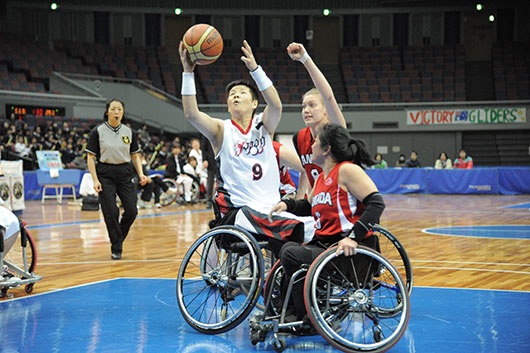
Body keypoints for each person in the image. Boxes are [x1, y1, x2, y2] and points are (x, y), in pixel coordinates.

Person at [179, 39, 313, 253]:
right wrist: (188, 72)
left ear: (254, 104)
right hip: (237, 213)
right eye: (232, 94)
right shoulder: (221, 131)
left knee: (318, 223)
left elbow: (276, 105)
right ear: (228, 105)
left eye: (241, 93)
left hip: (271, 209)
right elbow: (191, 114)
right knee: (290, 225)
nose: (235, 95)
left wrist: (255, 69)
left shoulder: (264, 127)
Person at [268, 124, 383, 325]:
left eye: (316, 142)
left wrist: (353, 238)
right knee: (285, 247)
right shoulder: (321, 177)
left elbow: (376, 203)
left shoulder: (346, 171)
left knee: (291, 254)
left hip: (348, 252)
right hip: (326, 247)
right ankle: (288, 314)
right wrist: (286, 204)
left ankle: (309, 318)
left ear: (326, 149)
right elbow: (307, 206)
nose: (311, 146)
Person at [86, 99, 148, 260]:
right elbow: (90, 157)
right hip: (105, 173)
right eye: (113, 109)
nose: (116, 112)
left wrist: (140, 173)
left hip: (125, 172)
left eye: (119, 109)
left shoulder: (129, 132)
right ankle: (116, 247)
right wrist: (95, 180)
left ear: (122, 112)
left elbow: (135, 155)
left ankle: (117, 237)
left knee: (132, 211)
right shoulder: (97, 131)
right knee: (111, 211)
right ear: (107, 111)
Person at [288, 42, 347, 191]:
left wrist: (305, 59)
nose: (306, 110)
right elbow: (306, 175)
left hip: (339, 201)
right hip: (317, 202)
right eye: (303, 106)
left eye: (312, 105)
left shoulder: (335, 131)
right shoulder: (299, 137)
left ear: (326, 110)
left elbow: (328, 97)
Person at [201, 134, 216, 209]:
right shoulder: (206, 133)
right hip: (210, 160)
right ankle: (209, 200)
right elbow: (203, 148)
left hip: (221, 159)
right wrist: (204, 160)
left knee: (223, 180)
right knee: (210, 181)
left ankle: (223, 198)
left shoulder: (221, 131)